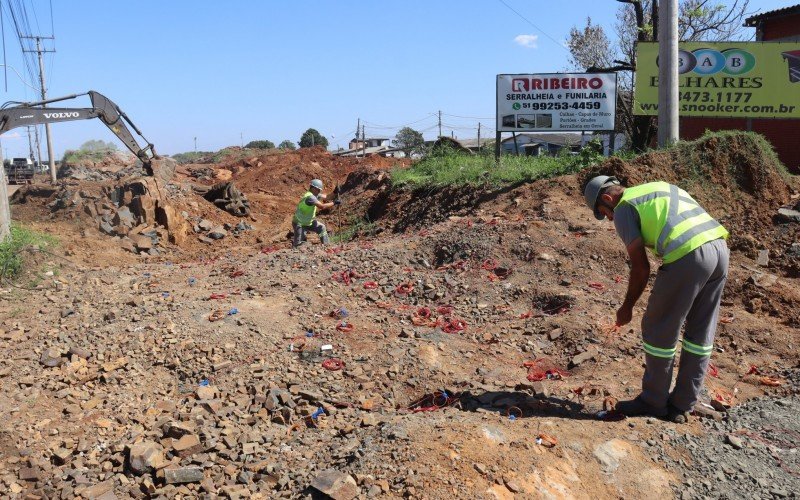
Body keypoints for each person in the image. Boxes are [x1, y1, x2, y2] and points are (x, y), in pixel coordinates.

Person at [583, 175, 730, 423]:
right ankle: (682, 404)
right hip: (719, 250)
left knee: (658, 327)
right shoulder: (656, 188)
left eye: (604, 213)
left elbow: (641, 267)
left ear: (608, 199)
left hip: (690, 255)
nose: (609, 219)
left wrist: (627, 306)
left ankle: (653, 401)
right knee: (700, 332)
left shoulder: (623, 208)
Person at [292, 179, 339, 248]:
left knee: (321, 228)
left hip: (308, 222)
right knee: (298, 245)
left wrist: (335, 192)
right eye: (318, 189)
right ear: (313, 188)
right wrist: (334, 203)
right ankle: (294, 254)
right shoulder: (310, 197)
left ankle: (326, 246)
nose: (319, 191)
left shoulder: (315, 195)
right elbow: (321, 206)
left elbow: (327, 197)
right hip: (300, 223)